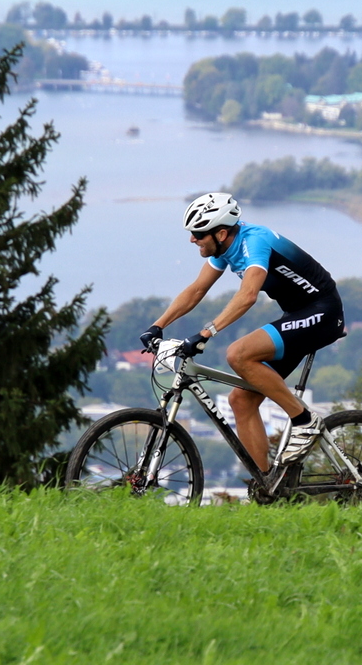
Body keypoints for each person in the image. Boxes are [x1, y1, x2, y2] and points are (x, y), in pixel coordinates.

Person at [140, 192, 345, 475]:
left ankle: (304, 421)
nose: (192, 240)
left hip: (323, 313)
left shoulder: (255, 242)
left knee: (238, 354)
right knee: (241, 401)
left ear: (221, 233)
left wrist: (206, 332)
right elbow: (197, 289)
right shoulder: (225, 248)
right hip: (297, 315)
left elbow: (248, 295)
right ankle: (265, 485)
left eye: (198, 234)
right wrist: (157, 326)